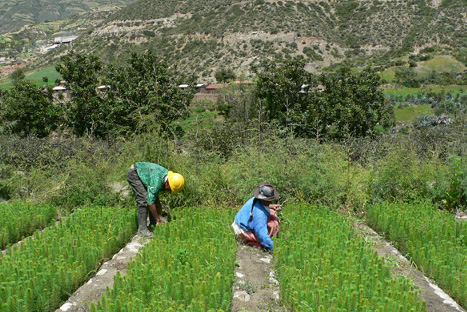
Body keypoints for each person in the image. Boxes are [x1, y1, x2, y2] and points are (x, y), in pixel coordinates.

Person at [127, 162, 185, 237]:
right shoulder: (157, 180)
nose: (170, 191)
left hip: (144, 174)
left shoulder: (166, 177)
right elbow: (150, 203)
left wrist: (158, 206)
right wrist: (158, 219)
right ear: (167, 183)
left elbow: (154, 196)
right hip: (135, 174)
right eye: (170, 189)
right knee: (144, 200)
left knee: (152, 200)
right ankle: (142, 230)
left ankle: (153, 225)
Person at [232, 182, 282, 251]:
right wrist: (275, 248)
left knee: (273, 212)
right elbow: (262, 235)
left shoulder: (257, 200)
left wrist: (272, 206)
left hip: (240, 222)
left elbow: (263, 206)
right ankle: (253, 241)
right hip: (242, 231)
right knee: (272, 225)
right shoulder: (259, 213)